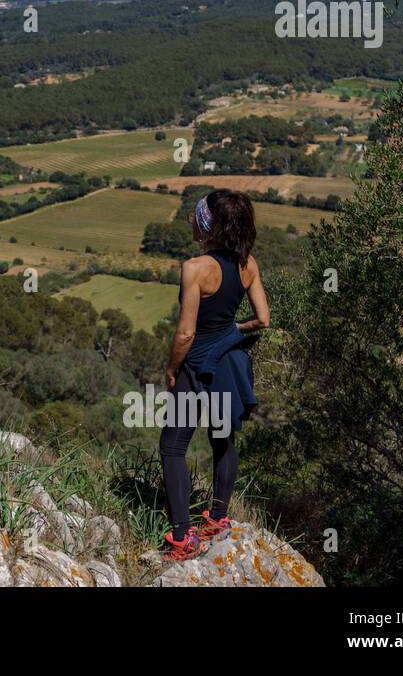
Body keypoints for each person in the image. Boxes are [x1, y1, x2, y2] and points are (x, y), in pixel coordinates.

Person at [159, 189, 269, 561]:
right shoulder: (247, 264)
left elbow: (186, 333)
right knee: (222, 439)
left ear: (209, 227)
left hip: (194, 365)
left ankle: (181, 538)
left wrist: (172, 370)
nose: (192, 220)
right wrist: (231, 332)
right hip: (226, 364)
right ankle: (218, 519)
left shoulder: (194, 269)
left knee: (173, 446)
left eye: (197, 217)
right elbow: (263, 320)